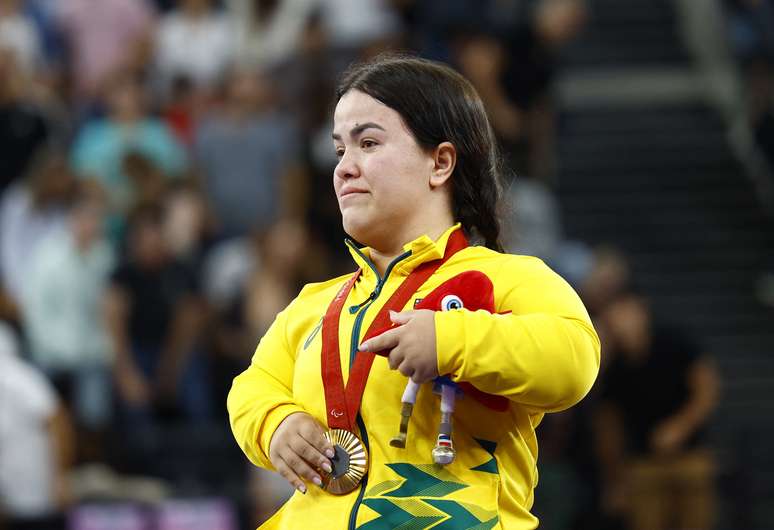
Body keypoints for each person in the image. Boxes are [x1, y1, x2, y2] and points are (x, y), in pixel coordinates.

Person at [227, 55, 600, 529]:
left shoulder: (509, 278)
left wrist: (453, 341)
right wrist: (275, 423)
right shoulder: (313, 305)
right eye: (340, 150)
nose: (343, 168)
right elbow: (251, 387)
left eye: (368, 143)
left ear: (440, 162)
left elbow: (574, 361)